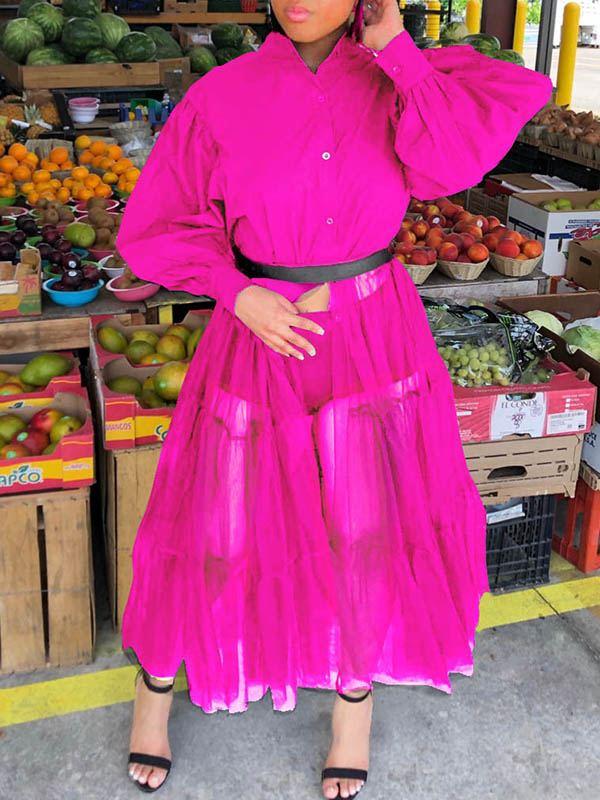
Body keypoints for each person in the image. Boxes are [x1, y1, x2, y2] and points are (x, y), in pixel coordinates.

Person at [116, 0, 553, 796]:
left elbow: (475, 141)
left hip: (373, 334)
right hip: (260, 334)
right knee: (213, 524)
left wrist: (397, 50)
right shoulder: (223, 95)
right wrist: (234, 291)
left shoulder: (402, 81)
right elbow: (156, 225)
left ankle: (354, 712)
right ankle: (154, 696)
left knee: (367, 526)